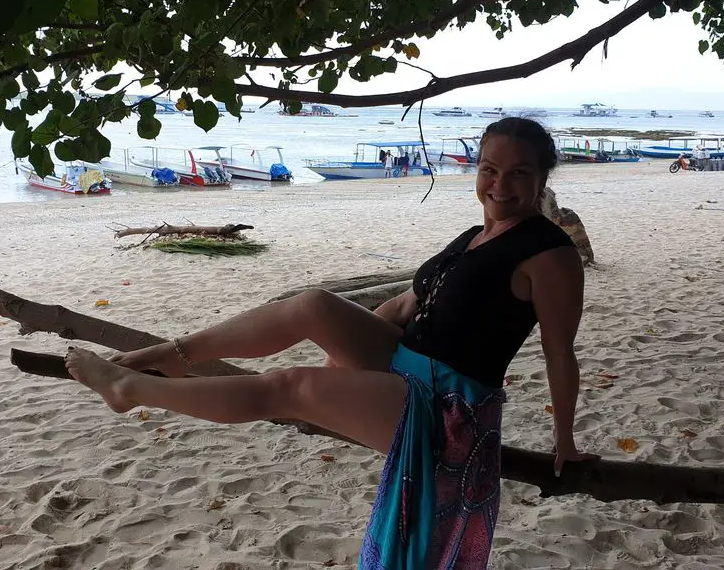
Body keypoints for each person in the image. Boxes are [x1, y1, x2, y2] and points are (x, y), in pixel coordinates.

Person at [64, 117, 593, 569]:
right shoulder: (473, 237)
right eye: (490, 170)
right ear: (476, 170)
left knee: (286, 386)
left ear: (543, 176)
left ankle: (129, 390)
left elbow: (558, 352)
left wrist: (563, 438)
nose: (501, 184)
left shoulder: (550, 254)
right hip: (403, 362)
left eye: (519, 173)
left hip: (448, 409)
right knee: (312, 304)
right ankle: (175, 354)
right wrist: (342, 355)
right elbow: (404, 307)